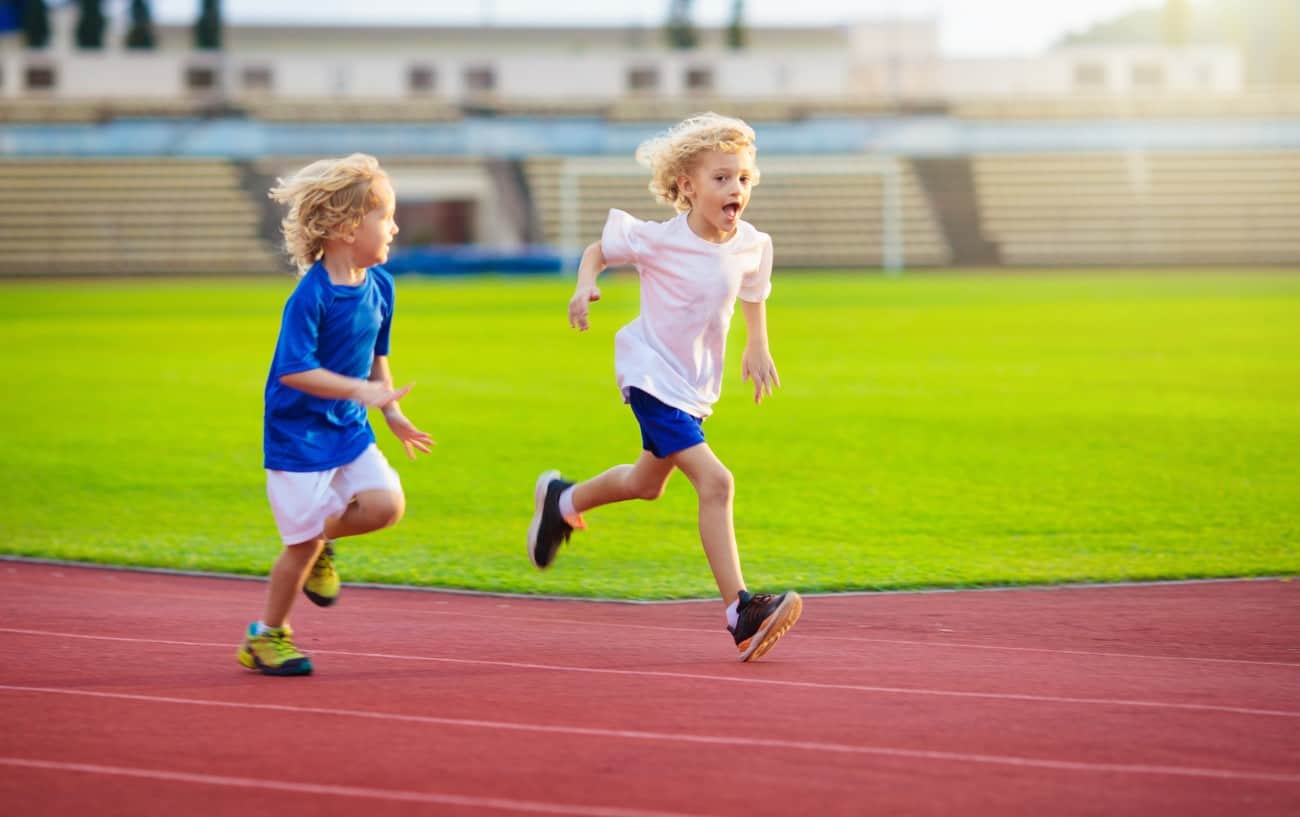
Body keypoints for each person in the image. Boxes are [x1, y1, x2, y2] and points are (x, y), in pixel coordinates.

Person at [527, 113, 801, 662]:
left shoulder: (752, 243)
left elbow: (754, 289)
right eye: (721, 178)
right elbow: (597, 251)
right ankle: (741, 611)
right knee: (716, 482)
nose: (736, 189)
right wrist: (586, 286)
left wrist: (757, 343)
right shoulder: (658, 240)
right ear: (687, 185)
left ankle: (564, 500)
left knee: (647, 482)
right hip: (650, 375)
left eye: (743, 178)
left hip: (693, 385)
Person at [238, 153, 434, 676]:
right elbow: (293, 371)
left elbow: (377, 358)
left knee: (386, 505)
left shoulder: (381, 286)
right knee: (298, 548)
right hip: (297, 437)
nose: (394, 227)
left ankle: (321, 538)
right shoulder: (311, 297)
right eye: (385, 217)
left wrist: (391, 412)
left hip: (349, 426)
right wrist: (356, 391)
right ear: (349, 227)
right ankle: (267, 636)